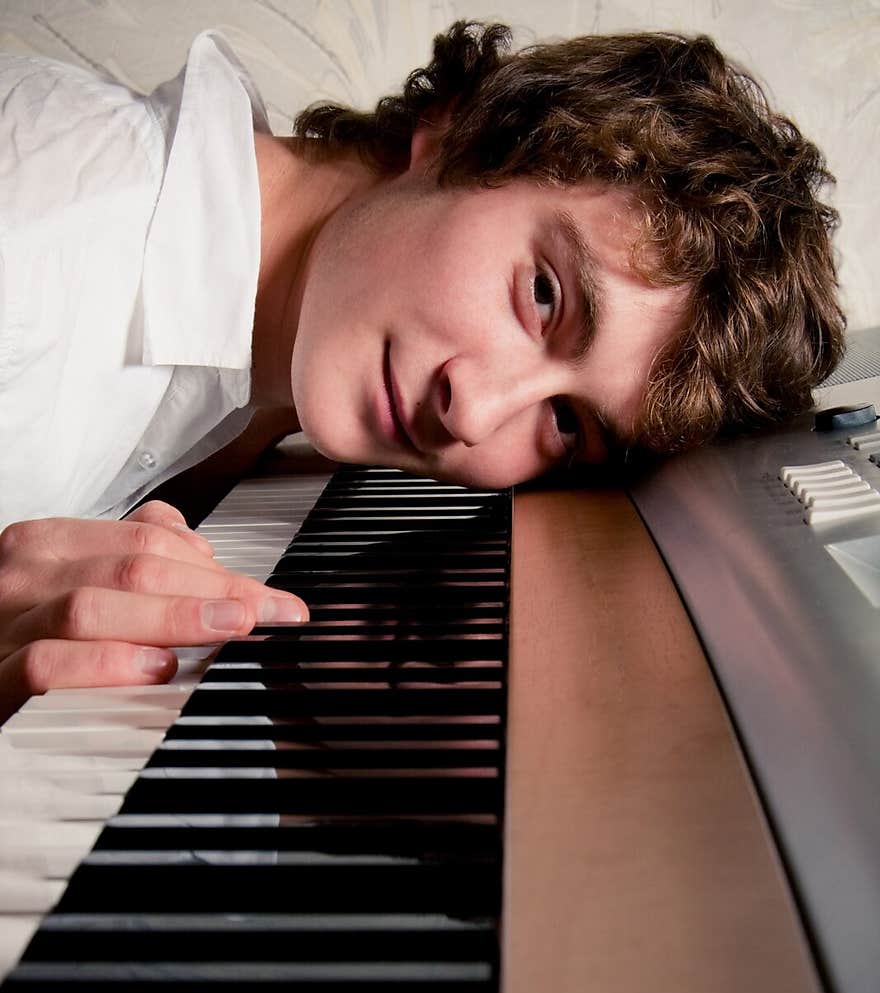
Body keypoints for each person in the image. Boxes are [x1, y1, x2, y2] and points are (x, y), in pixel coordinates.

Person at [0, 20, 844, 723]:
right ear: (459, 130)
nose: (475, 411)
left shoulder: (262, 391)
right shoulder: (38, 223)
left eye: (566, 423)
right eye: (544, 294)